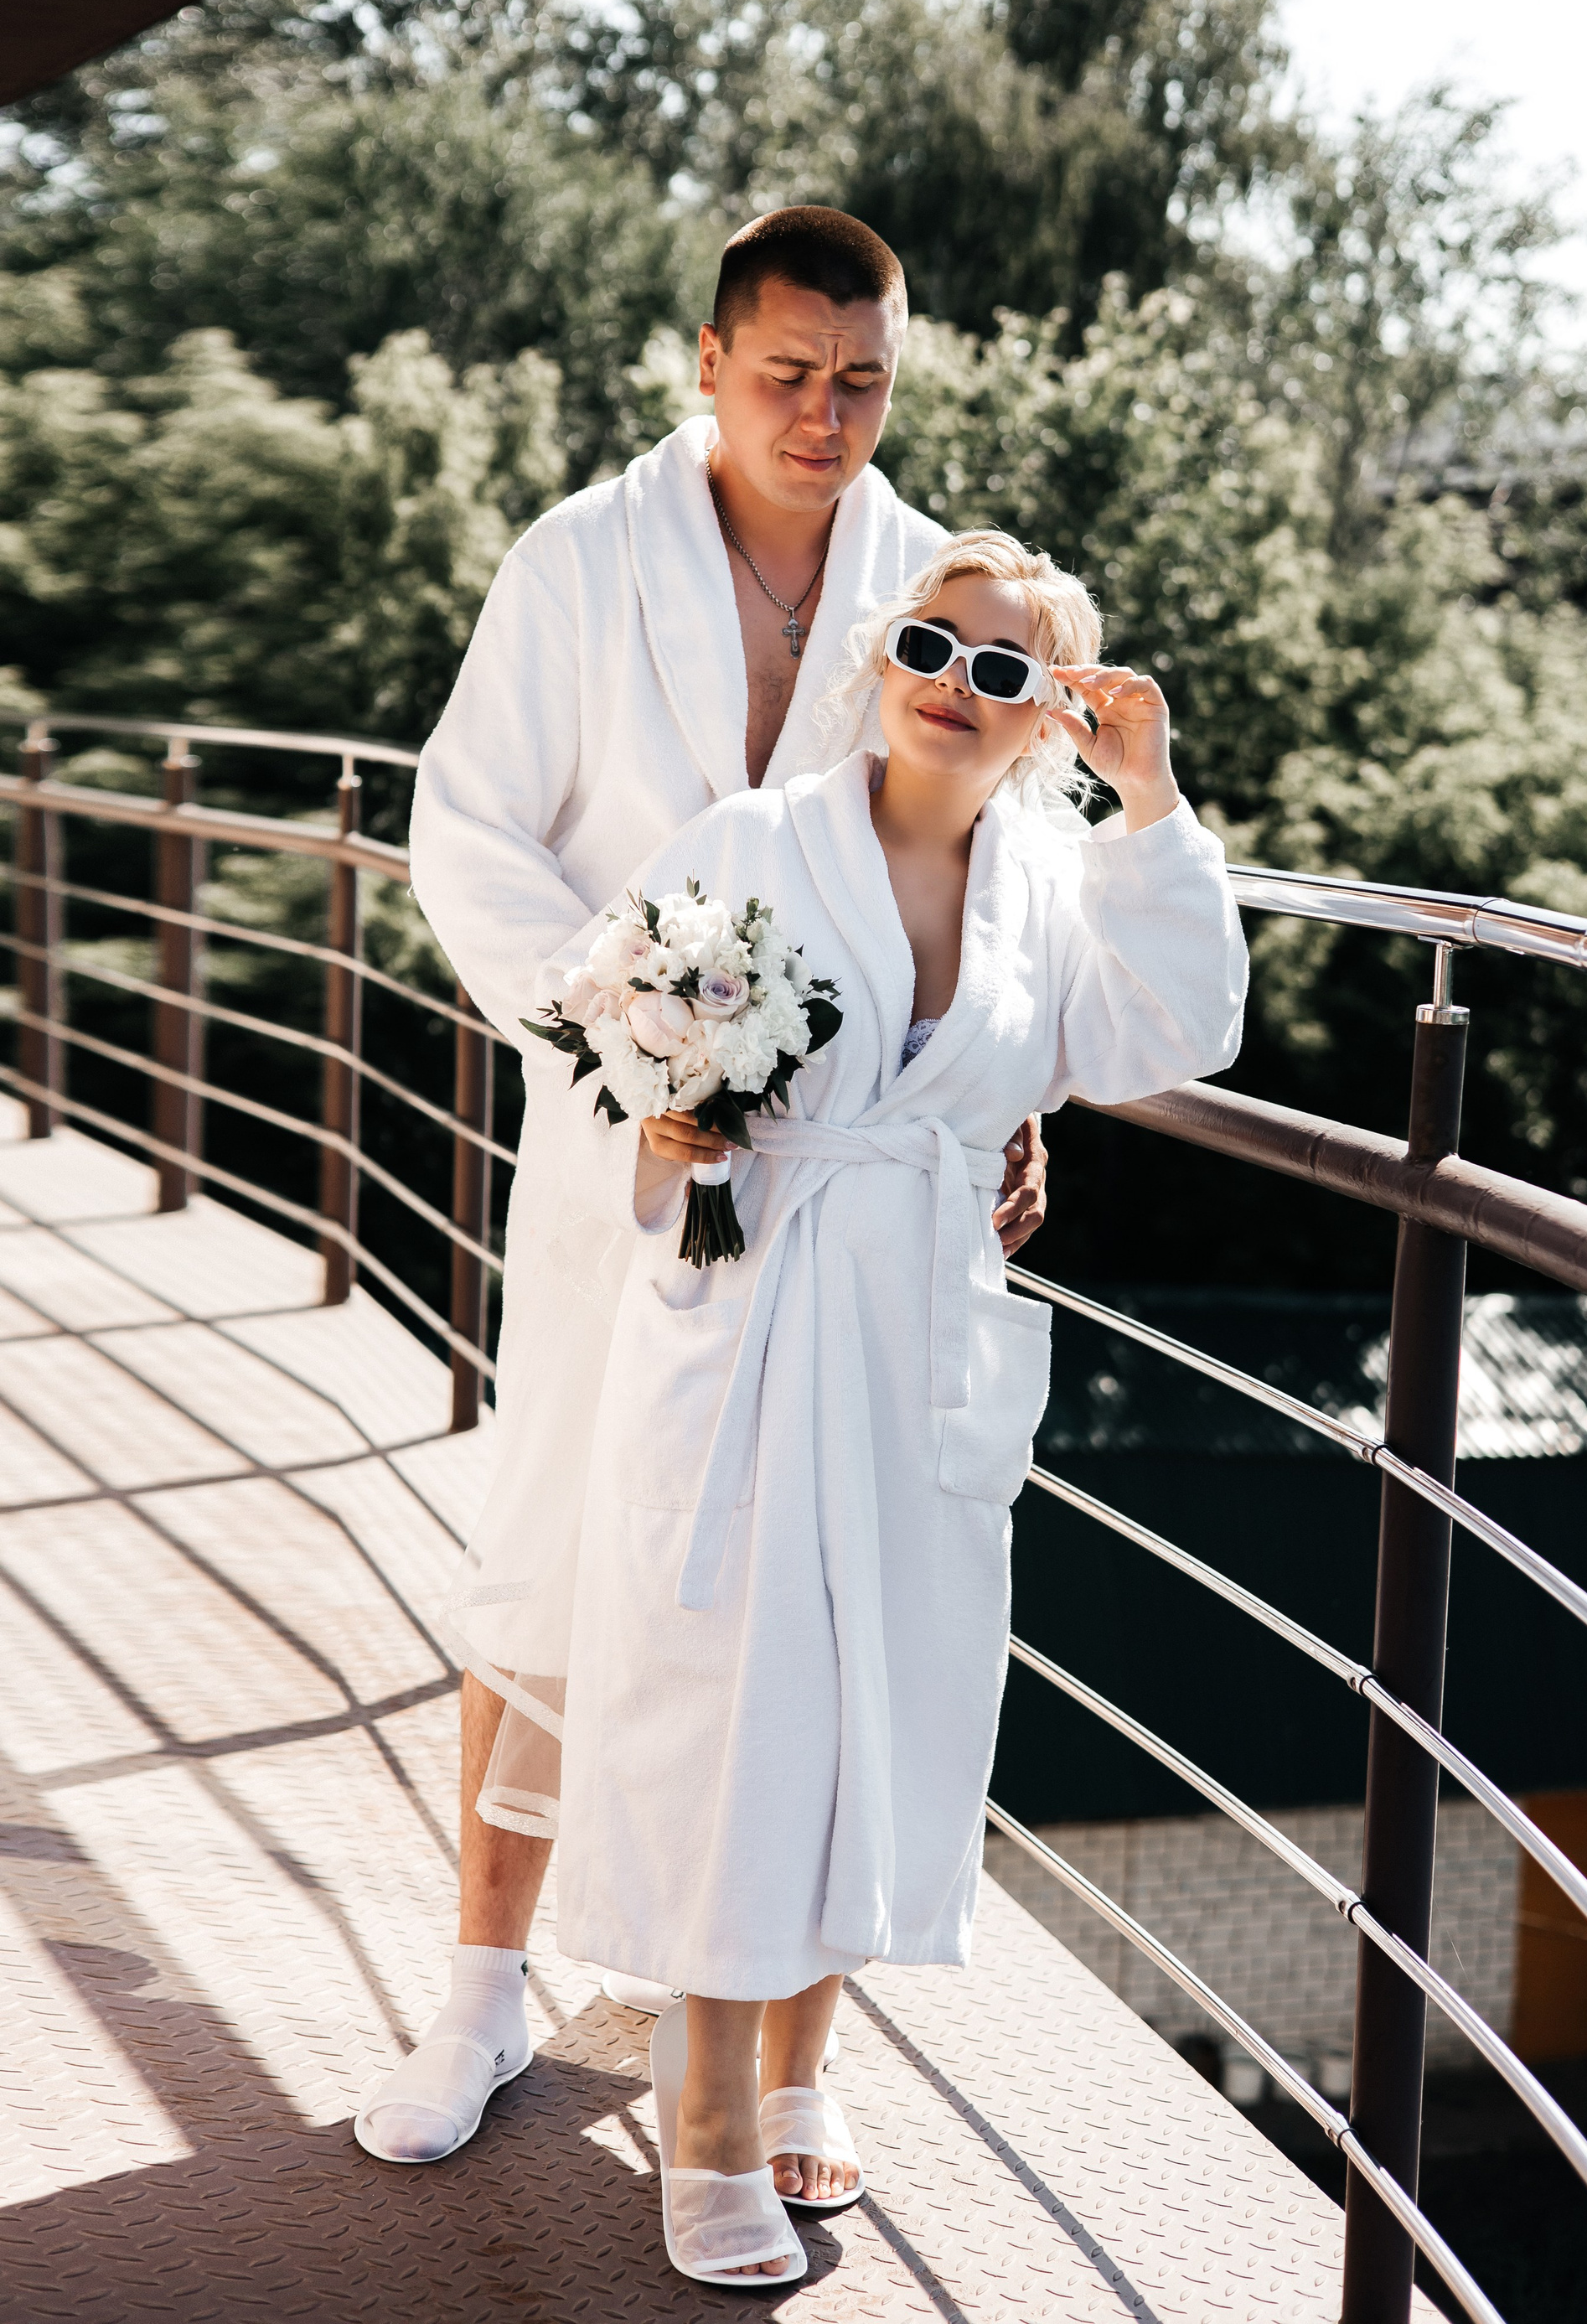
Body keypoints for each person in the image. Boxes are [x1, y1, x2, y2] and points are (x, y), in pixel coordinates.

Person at [358, 207, 1050, 2166]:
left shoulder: (935, 584)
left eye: (863, 383)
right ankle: (482, 1989)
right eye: (789, 376)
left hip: (841, 1208)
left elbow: (1008, 850)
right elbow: (465, 831)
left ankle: (749, 2032)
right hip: (630, 1164)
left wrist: (1007, 1083)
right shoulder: (581, 560)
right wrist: (637, 1052)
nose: (825, 417)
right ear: (709, 363)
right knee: (552, 1552)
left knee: (801, 1600)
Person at [535, 529, 1248, 2283]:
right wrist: (669, 1128)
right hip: (754, 1328)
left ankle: (802, 2069)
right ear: (883, 655)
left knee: (878, 1702)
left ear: (1046, 716)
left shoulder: (1049, 888)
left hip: (921, 1342)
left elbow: (1180, 1025)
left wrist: (1150, 799)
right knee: (740, 1712)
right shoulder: (749, 844)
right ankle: (709, 2124)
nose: (955, 685)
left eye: (1004, 670)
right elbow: (604, 1031)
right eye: (933, 645)